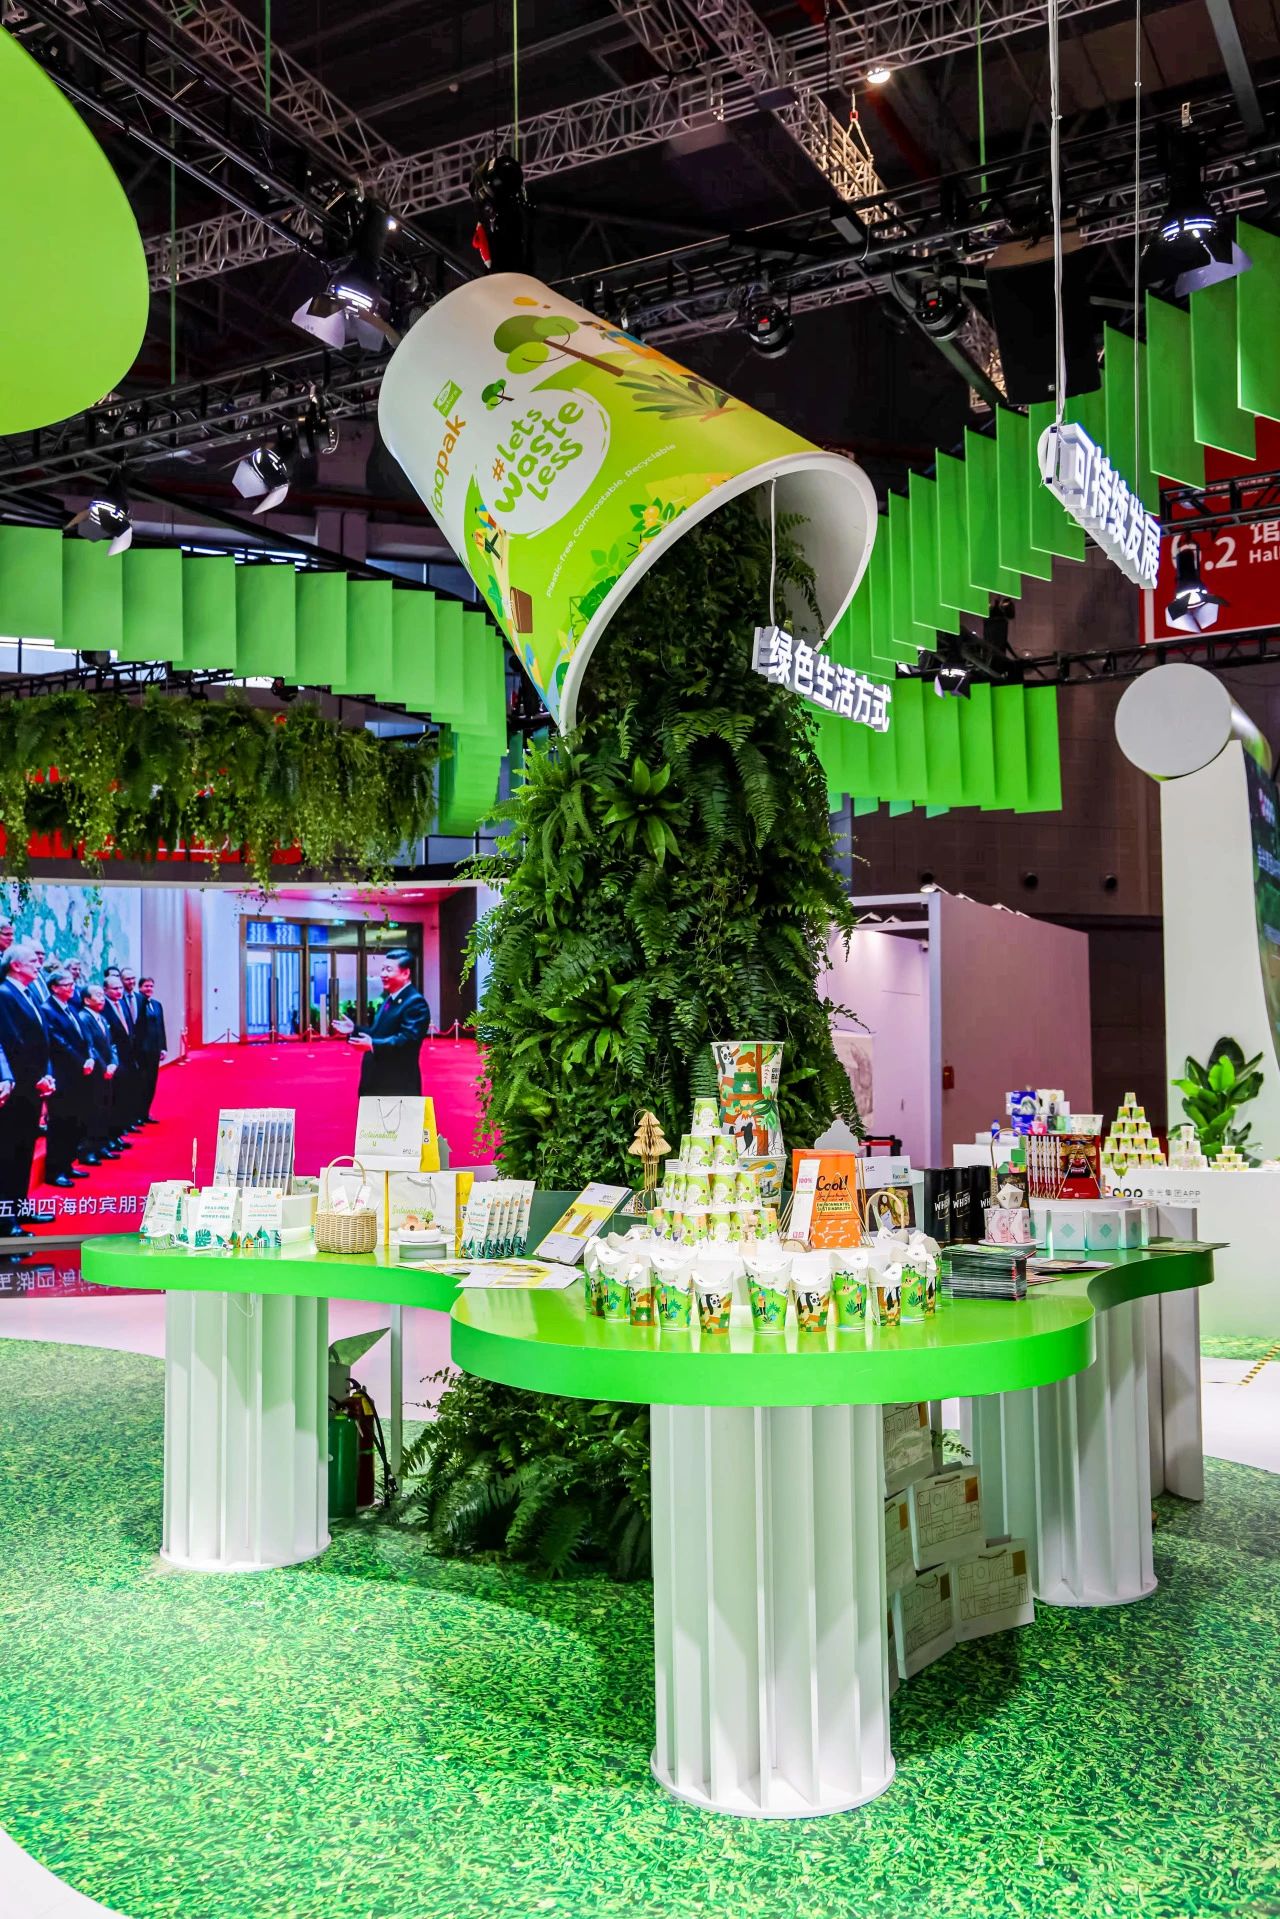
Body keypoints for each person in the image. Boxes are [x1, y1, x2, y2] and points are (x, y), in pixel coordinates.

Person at [0, 942, 56, 1237]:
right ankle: (6, 1221)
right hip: (17, 1089)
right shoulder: (4, 994)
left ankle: (20, 1208)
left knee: (24, 1151)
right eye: (32, 961)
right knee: (9, 1154)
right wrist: (36, 1077)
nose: (38, 965)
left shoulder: (28, 992)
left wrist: (46, 1075)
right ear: (15, 965)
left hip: (33, 1086)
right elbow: (13, 1044)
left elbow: (40, 1040)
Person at [347, 950, 429, 1097]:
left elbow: (408, 1040)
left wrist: (373, 1045)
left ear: (405, 973)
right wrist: (354, 1029)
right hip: (378, 1079)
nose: (383, 974)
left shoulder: (415, 1002)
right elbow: (378, 1032)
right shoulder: (390, 999)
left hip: (397, 1085)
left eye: (388, 970)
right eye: (382, 969)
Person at [41, 970, 93, 1187]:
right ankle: (55, 1171)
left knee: (73, 1120)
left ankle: (67, 1164)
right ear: (54, 987)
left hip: (78, 1073)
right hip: (62, 1074)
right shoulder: (47, 1009)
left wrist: (89, 1057)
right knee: (60, 1123)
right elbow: (58, 1042)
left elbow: (83, 1038)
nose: (72, 988)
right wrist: (81, 1061)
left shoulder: (70, 1007)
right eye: (67, 984)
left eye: (73, 984)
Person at [79, 986, 120, 1164]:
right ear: (87, 1000)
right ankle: (88, 1150)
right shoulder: (83, 1018)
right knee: (93, 1110)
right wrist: (105, 1068)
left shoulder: (102, 1018)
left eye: (103, 995)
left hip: (108, 1070)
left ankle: (101, 1145)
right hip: (95, 1072)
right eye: (97, 995)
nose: (102, 998)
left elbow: (112, 1045)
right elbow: (90, 1047)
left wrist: (114, 1063)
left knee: (105, 1108)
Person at [101, 972, 137, 1149]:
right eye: (114, 988)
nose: (119, 991)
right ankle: (110, 1136)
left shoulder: (122, 1003)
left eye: (120, 988)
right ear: (105, 990)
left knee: (123, 1096)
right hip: (112, 1059)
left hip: (126, 1057)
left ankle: (118, 1134)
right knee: (112, 1099)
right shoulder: (103, 1007)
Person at [133, 976, 168, 1124]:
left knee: (151, 1083)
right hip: (141, 1052)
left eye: (151, 986)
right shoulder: (136, 1003)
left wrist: (163, 1047)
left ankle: (146, 1113)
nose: (149, 989)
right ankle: (137, 1115)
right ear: (140, 987)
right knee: (141, 1083)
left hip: (154, 1051)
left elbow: (161, 1027)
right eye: (146, 986)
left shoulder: (157, 1005)